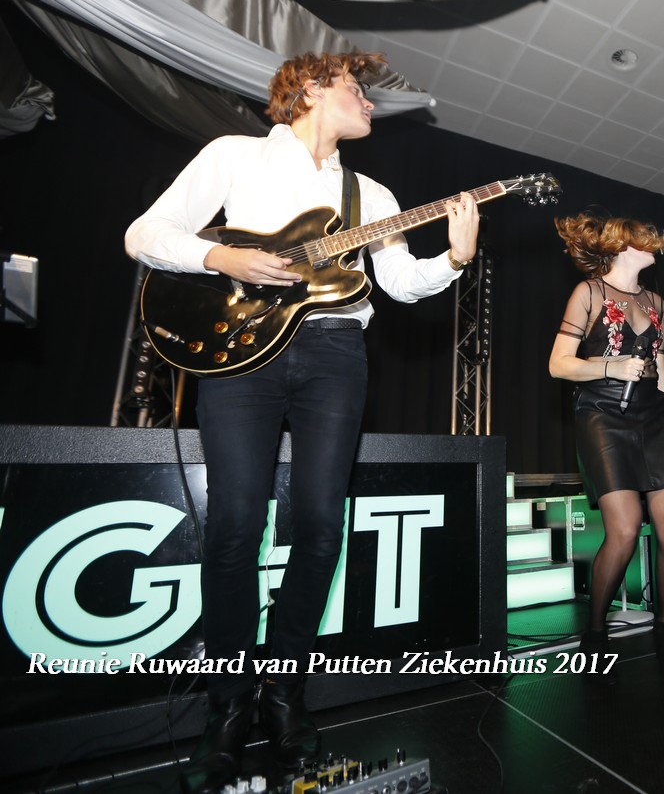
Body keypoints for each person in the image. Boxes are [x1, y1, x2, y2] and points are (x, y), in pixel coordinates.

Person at [125, 52, 479, 794]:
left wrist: (454, 256)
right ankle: (227, 706)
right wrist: (222, 256)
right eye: (357, 90)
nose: (370, 104)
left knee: (321, 525)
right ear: (311, 89)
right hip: (241, 354)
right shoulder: (236, 155)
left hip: (334, 352)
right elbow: (144, 234)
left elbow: (399, 282)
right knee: (234, 524)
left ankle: (285, 690)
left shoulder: (371, 193)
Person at [548, 212, 664, 675]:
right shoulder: (588, 292)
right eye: (644, 238)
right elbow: (558, 364)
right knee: (625, 529)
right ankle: (595, 631)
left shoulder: (656, 300)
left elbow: (659, 362)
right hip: (603, 413)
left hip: (653, 415)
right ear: (622, 246)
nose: (654, 246)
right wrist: (610, 366)